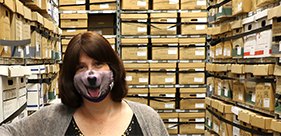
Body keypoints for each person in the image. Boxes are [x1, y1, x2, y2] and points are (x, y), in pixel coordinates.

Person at [0, 31, 169, 136]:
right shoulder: (52, 118)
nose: (91, 74)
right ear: (71, 76)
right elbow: (8, 131)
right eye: (81, 67)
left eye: (98, 64)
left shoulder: (147, 119)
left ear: (113, 68)